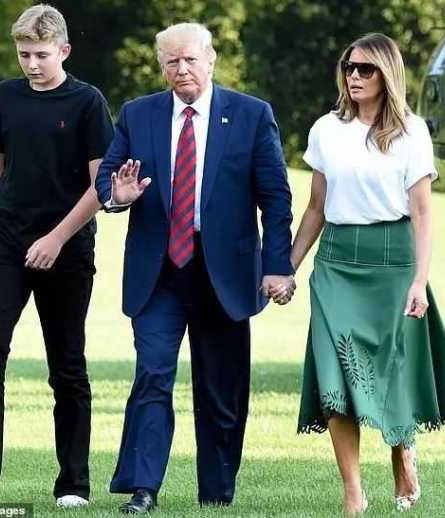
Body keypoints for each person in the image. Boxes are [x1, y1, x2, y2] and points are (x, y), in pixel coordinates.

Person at [94, 22, 295, 514]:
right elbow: (107, 180)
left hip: (224, 272)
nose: (181, 69)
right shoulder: (138, 114)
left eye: (189, 59)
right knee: (153, 373)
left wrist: (277, 266)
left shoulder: (251, 115)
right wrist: (116, 195)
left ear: (210, 60)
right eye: (172, 61)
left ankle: (216, 492)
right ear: (161, 66)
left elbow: (275, 198)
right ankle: (143, 488)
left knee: (221, 388)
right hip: (158, 272)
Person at [0, 4, 114, 508]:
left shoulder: (88, 102)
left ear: (64, 50)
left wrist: (56, 238)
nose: (32, 64)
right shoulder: (6, 96)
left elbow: (101, 185)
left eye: (41, 55)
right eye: (24, 54)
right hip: (6, 244)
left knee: (66, 366)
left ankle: (73, 485)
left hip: (67, 250)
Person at [290, 33, 445, 515]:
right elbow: (316, 207)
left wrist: (419, 281)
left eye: (365, 68)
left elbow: (423, 213)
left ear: (387, 74)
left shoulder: (412, 132)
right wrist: (286, 268)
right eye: (348, 67)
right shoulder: (327, 129)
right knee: (334, 372)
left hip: (393, 262)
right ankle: (353, 492)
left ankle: (402, 450)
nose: (354, 76)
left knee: (393, 371)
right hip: (335, 264)